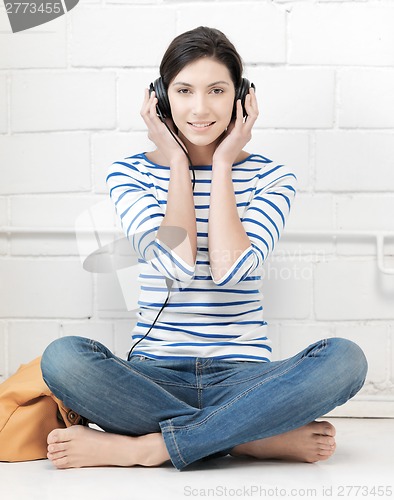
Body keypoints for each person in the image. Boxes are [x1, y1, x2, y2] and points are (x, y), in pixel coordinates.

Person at [40, 26, 367, 471]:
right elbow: (176, 266)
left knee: (346, 360)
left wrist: (223, 163)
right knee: (64, 358)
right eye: (184, 90)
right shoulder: (129, 175)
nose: (199, 108)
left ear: (241, 98)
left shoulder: (273, 178)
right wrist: (178, 162)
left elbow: (230, 272)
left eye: (216, 90)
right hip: (153, 376)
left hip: (246, 380)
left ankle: (146, 447)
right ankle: (247, 438)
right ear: (160, 99)